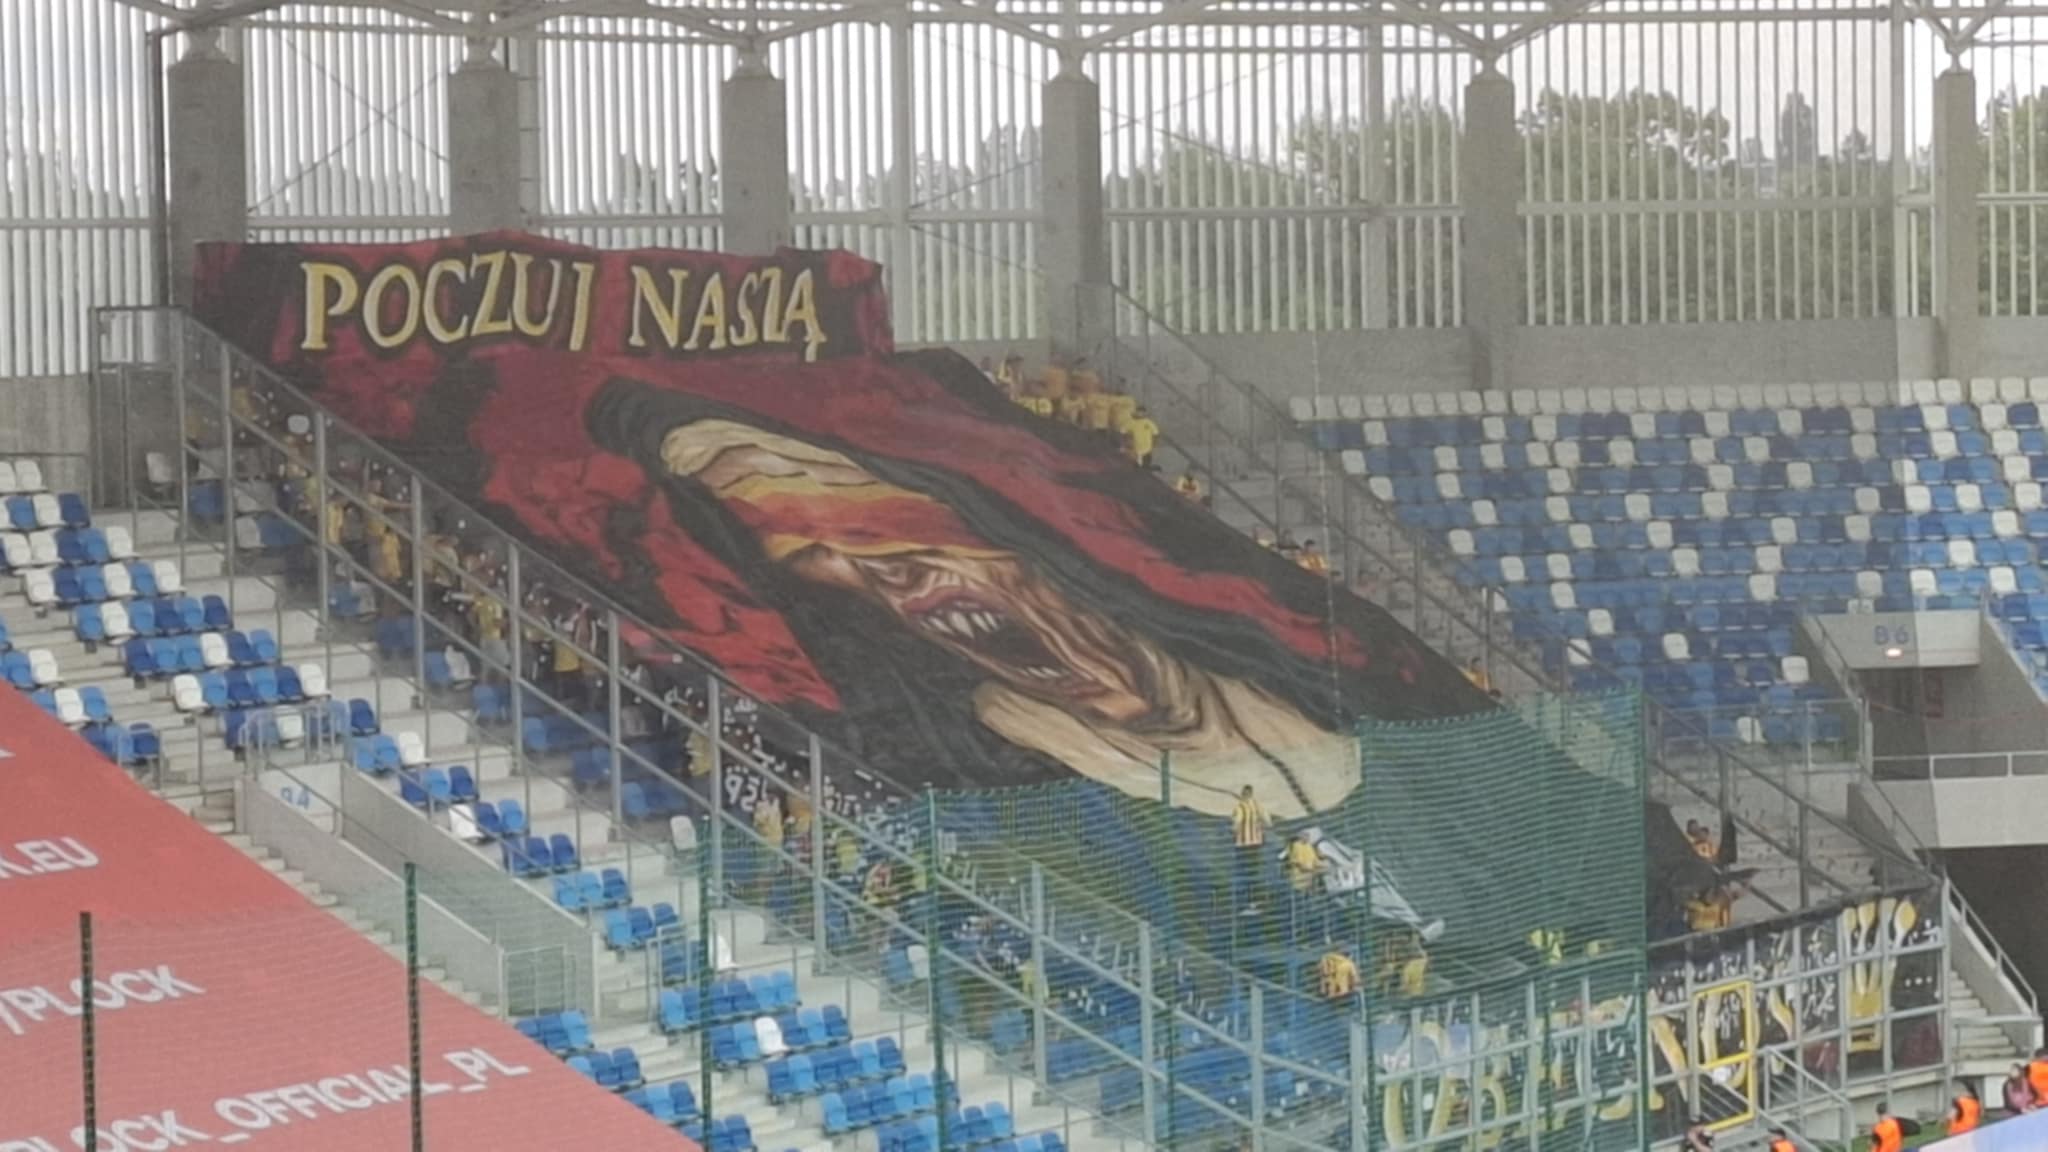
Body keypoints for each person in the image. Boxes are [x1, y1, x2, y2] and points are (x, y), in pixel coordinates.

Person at [1231, 785, 1271, 912]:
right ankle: (1254, 901)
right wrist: (1262, 828)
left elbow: (1236, 823)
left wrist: (1233, 832)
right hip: (1256, 844)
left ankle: (1246, 903)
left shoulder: (1239, 807)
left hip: (1243, 845)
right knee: (1254, 872)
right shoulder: (1257, 805)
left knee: (1244, 873)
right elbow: (1268, 821)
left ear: (1243, 794)